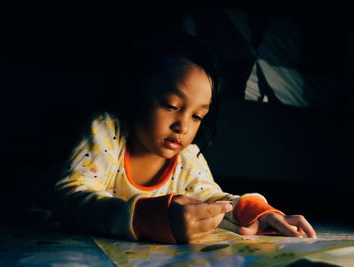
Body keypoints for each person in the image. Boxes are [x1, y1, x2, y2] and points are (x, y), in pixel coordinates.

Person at [52, 31, 316, 244]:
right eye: (170, 105)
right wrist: (139, 218)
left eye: (197, 117)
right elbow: (69, 196)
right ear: (136, 94)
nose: (182, 126)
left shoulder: (187, 157)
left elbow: (214, 199)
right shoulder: (107, 129)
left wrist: (257, 211)